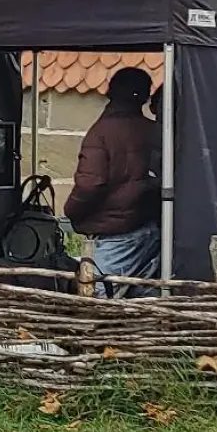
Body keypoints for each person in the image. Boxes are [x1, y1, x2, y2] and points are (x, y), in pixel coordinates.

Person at [64, 67, 161, 297]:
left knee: (96, 301)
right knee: (144, 301)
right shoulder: (155, 131)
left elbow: (89, 184)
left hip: (114, 234)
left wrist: (72, 212)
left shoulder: (102, 133)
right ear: (146, 97)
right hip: (150, 229)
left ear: (110, 92)